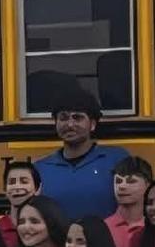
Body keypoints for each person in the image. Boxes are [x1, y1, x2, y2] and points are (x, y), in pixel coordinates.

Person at [36, 92, 130, 221]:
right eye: (63, 118)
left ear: (92, 124)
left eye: (77, 118)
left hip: (106, 240)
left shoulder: (117, 159)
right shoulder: (40, 168)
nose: (69, 124)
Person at [104, 156, 153, 247]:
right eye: (118, 181)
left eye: (131, 181)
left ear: (148, 185)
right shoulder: (103, 229)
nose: (122, 186)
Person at [0, 160, 43, 247]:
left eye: (24, 181)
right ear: (5, 190)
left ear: (38, 189)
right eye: (12, 182)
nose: (17, 187)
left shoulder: (48, 228)